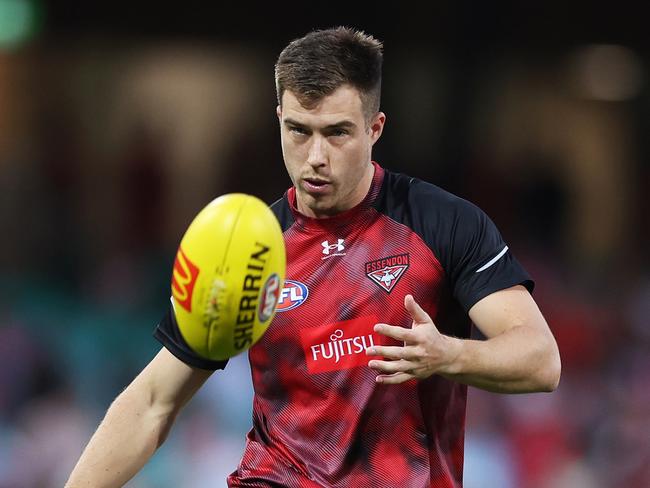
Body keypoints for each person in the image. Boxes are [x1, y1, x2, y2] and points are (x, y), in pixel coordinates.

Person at [66, 26, 561, 487]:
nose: (316, 156)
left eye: (337, 132)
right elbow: (154, 401)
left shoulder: (444, 224)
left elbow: (541, 361)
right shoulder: (245, 248)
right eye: (300, 131)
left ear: (375, 128)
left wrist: (448, 355)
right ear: (279, 120)